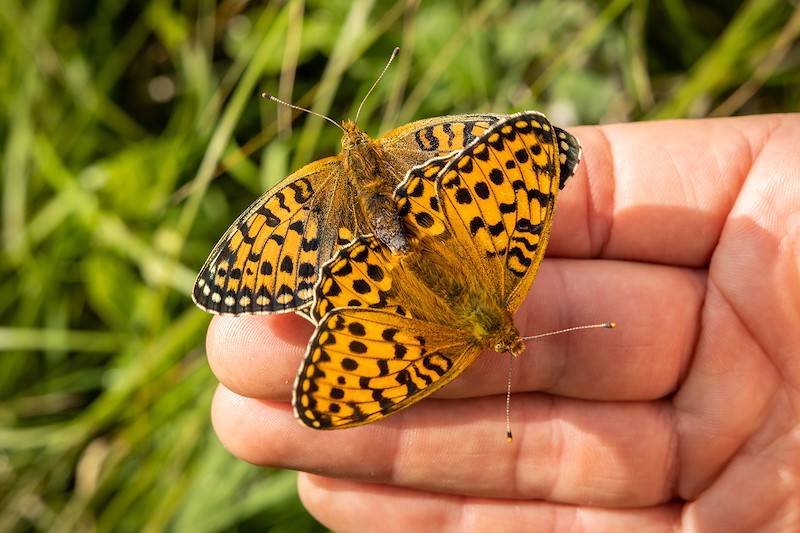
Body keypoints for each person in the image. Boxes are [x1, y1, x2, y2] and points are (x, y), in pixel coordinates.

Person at [204, 114, 800, 532]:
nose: (509, 346)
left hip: (388, 276)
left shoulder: (497, 290)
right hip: (411, 260)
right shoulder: (502, 285)